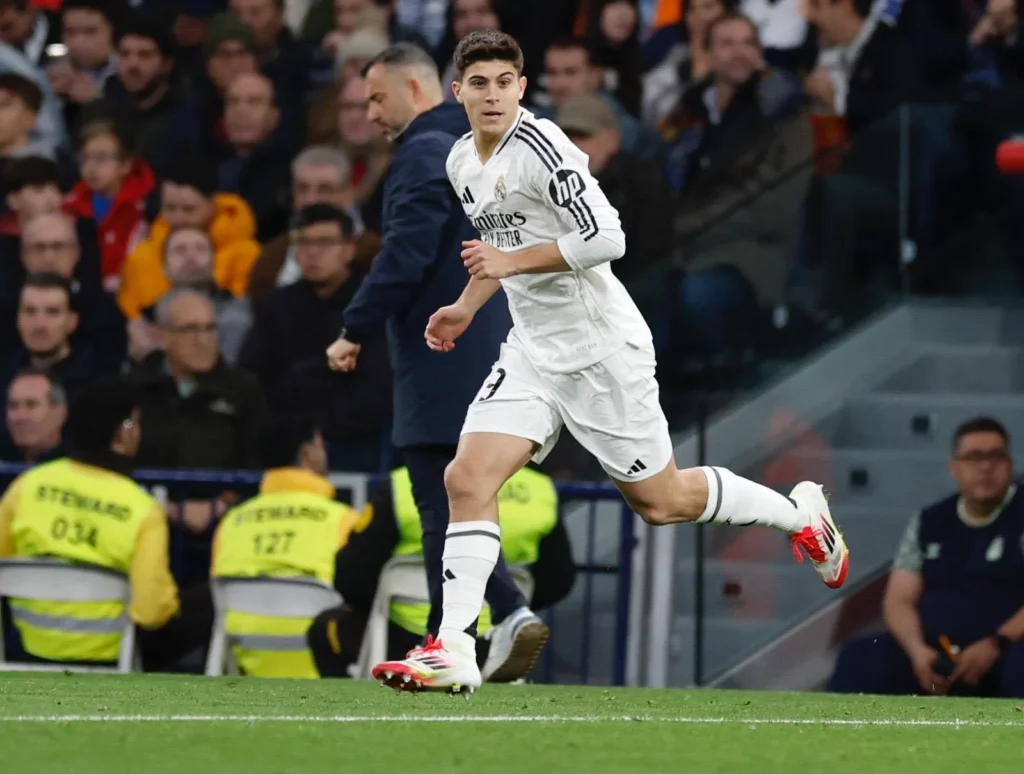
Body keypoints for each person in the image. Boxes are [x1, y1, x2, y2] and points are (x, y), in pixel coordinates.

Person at [371, 30, 850, 695]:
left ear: (520, 86)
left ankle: (800, 516)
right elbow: (499, 240)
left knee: (662, 500)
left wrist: (507, 265)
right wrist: (465, 304)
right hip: (533, 348)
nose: (490, 94)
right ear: (458, 92)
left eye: (503, 82)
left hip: (599, 350)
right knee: (465, 477)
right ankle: (452, 647)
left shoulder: (545, 147)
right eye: (477, 84)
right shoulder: (460, 161)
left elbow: (607, 237)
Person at [325, 43, 547, 683]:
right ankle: (497, 618)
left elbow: (408, 252)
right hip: (498, 348)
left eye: (376, 96)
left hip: (442, 357)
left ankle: (467, 633)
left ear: (420, 90)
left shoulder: (424, 152)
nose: (369, 113)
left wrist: (352, 327)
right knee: (462, 500)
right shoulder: (488, 149)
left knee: (438, 505)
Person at [0, 378, 212, 671]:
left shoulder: (26, 487)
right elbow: (151, 613)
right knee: (211, 596)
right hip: (110, 654)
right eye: (135, 422)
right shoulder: (141, 508)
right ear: (123, 434)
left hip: (31, 646)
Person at [307, 463, 575, 680]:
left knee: (325, 628)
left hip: (405, 639)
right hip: (494, 639)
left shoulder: (403, 483)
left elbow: (351, 578)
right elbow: (558, 580)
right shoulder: (540, 492)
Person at [828, 417, 1024, 698]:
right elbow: (898, 600)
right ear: (954, 468)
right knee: (860, 656)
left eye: (996, 456)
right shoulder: (929, 521)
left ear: (1010, 465)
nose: (986, 466)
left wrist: (997, 644)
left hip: (1007, 648)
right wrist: (917, 651)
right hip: (934, 651)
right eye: (974, 457)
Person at [211, 415, 357, 678]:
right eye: (320, 444)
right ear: (307, 453)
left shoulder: (232, 521)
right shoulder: (343, 520)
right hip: (325, 667)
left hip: (247, 665)